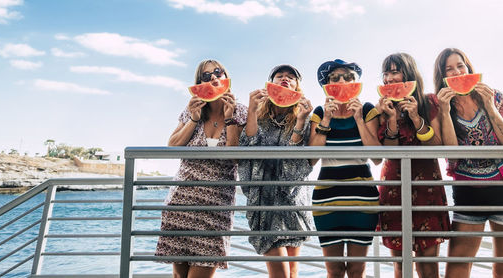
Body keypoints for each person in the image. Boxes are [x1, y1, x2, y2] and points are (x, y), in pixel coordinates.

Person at [434, 48, 503, 278]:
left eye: (460, 65)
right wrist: (445, 112)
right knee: (456, 268)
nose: (457, 72)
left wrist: (490, 106)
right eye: (449, 69)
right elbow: (452, 155)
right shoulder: (442, 106)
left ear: (469, 67)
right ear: (442, 77)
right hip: (468, 192)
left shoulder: (495, 96)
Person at [155, 59, 248, 278]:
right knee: (179, 276)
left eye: (218, 73)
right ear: (199, 83)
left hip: (216, 208)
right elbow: (173, 146)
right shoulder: (192, 111)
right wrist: (194, 119)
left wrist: (230, 117)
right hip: (181, 202)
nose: (214, 78)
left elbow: (235, 157)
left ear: (226, 76)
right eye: (206, 76)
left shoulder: (240, 111)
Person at [375, 53, 450, 278]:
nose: (388, 78)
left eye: (394, 71)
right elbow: (388, 151)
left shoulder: (429, 102)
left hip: (426, 185)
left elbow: (437, 144)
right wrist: (390, 119)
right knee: (399, 264)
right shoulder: (383, 106)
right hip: (394, 187)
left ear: (408, 73)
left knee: (428, 263)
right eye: (385, 73)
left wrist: (417, 118)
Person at [238, 64, 314, 278]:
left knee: (292, 272)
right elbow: (249, 147)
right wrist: (252, 111)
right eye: (279, 76)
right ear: (269, 85)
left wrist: (300, 121)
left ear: (298, 86)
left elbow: (295, 162)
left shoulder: (306, 118)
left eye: (291, 77)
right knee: (280, 273)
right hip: (263, 202)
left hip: (292, 201)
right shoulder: (258, 117)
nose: (285, 79)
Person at [309, 59, 380, 278]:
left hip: (363, 200)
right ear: (326, 85)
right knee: (334, 270)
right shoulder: (320, 113)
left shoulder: (368, 110)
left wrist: (358, 119)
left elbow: (377, 158)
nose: (342, 81)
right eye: (335, 78)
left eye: (349, 77)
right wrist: (326, 120)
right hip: (327, 200)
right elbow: (311, 159)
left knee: (358, 270)